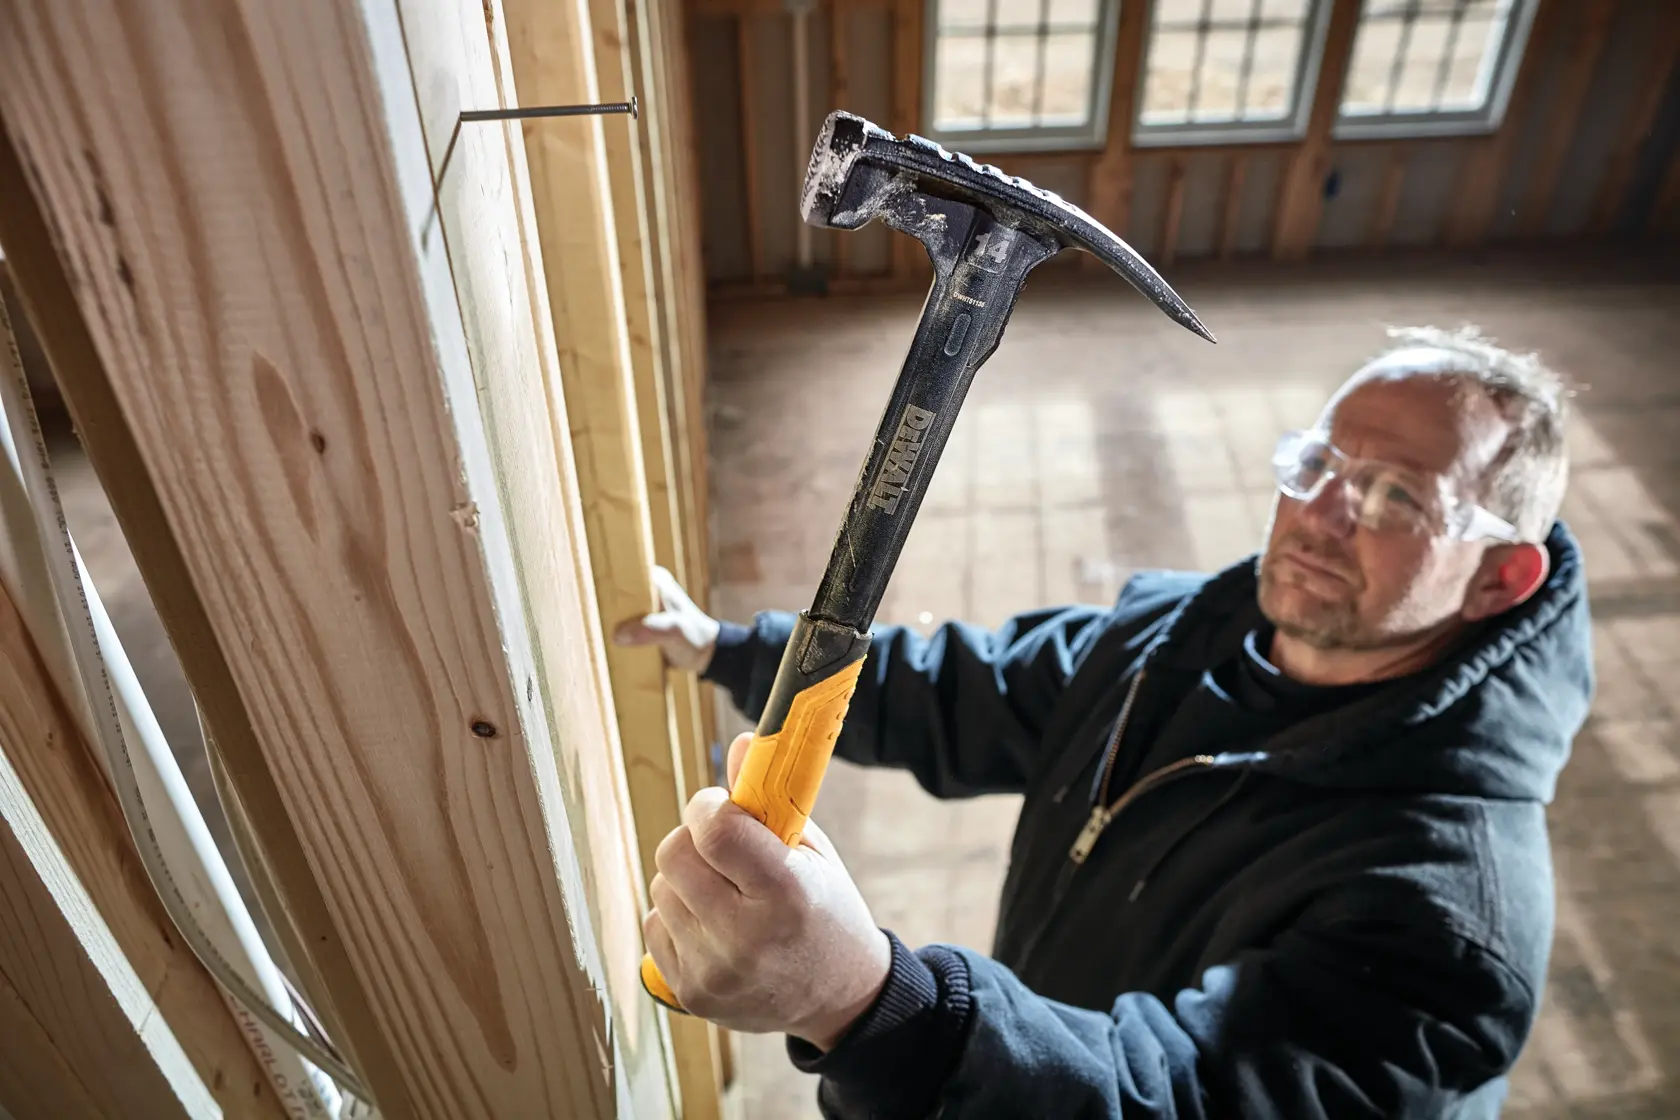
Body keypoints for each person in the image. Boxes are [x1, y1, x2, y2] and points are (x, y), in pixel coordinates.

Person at [615, 325, 1594, 1119]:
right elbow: (965, 690)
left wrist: (870, 1001)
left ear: (1501, 577)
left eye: (1396, 495)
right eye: (1317, 461)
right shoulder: (1166, 639)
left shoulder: (1453, 919)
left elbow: (1175, 1096)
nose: (1321, 512)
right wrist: (730, 649)